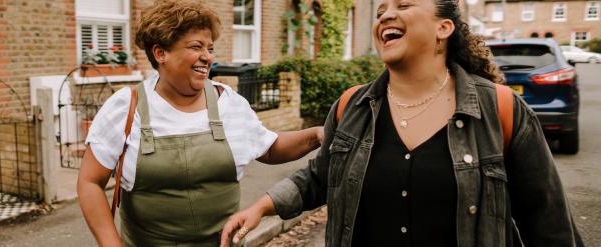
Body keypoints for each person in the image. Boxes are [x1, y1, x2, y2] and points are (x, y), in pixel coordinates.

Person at [220, 0, 585, 246]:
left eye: (404, 5)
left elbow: (548, 221)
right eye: (380, 10)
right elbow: (320, 176)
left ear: (444, 28)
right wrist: (262, 205)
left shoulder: (501, 109)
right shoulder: (351, 106)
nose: (384, 16)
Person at [76, 0, 323, 246]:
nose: (207, 57)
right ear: (160, 53)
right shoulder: (126, 108)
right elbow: (90, 182)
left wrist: (317, 135)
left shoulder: (228, 103)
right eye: (196, 47)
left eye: (210, 48)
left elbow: (269, 147)